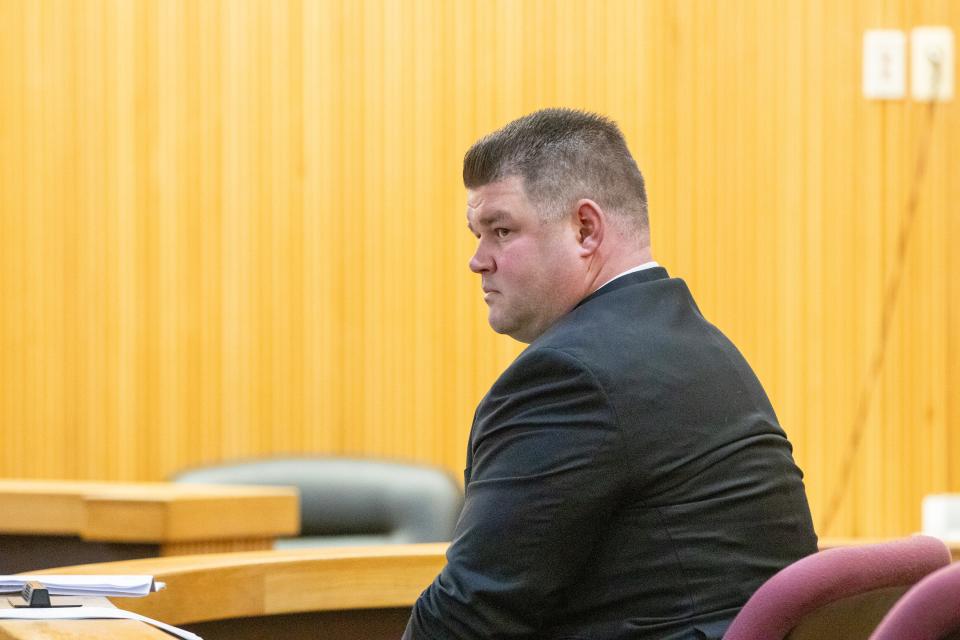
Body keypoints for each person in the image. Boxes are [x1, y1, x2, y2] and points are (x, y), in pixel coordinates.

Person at [403, 109, 817, 640]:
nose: (477, 260)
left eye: (501, 230)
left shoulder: (568, 377)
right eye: (477, 234)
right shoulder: (705, 348)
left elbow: (467, 615)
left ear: (585, 229)